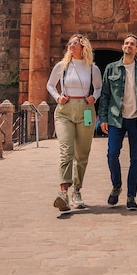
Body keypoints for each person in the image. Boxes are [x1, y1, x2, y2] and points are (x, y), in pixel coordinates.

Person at [47, 34, 102, 211]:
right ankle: (63, 192)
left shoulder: (92, 68)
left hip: (86, 109)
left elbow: (99, 87)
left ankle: (77, 191)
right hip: (65, 110)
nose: (71, 45)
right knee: (66, 151)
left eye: (75, 43)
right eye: (69, 43)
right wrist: (57, 97)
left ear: (83, 46)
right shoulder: (61, 66)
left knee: (82, 153)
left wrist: (95, 96)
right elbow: (50, 84)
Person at [98, 33, 137, 210]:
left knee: (136, 159)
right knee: (112, 154)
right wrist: (102, 118)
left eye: (132, 43)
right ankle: (116, 186)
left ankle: (131, 196)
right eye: (126, 43)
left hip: (136, 119)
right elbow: (105, 95)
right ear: (122, 47)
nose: (128, 45)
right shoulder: (111, 68)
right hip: (115, 118)